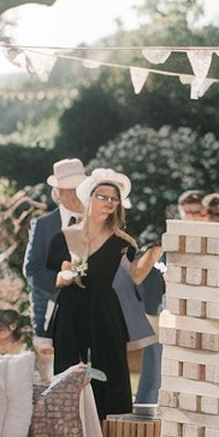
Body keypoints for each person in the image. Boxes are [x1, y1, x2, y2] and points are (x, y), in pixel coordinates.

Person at [25, 157, 156, 382]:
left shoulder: (112, 228)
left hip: (101, 312)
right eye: (69, 189)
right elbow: (34, 270)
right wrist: (65, 284)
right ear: (58, 193)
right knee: (58, 379)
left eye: (79, 188)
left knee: (104, 375)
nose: (76, 194)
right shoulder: (44, 225)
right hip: (54, 311)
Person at [46, 169, 161, 421]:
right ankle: (66, 423)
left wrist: (155, 251)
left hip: (106, 310)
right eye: (103, 196)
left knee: (110, 367)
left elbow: (133, 277)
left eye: (114, 198)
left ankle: (111, 428)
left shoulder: (124, 243)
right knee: (67, 366)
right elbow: (52, 277)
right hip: (71, 308)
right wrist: (65, 277)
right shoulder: (64, 238)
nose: (109, 202)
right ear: (89, 198)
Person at [132, 226, 165, 408]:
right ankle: (147, 404)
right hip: (155, 314)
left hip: (167, 313)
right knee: (154, 358)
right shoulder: (153, 253)